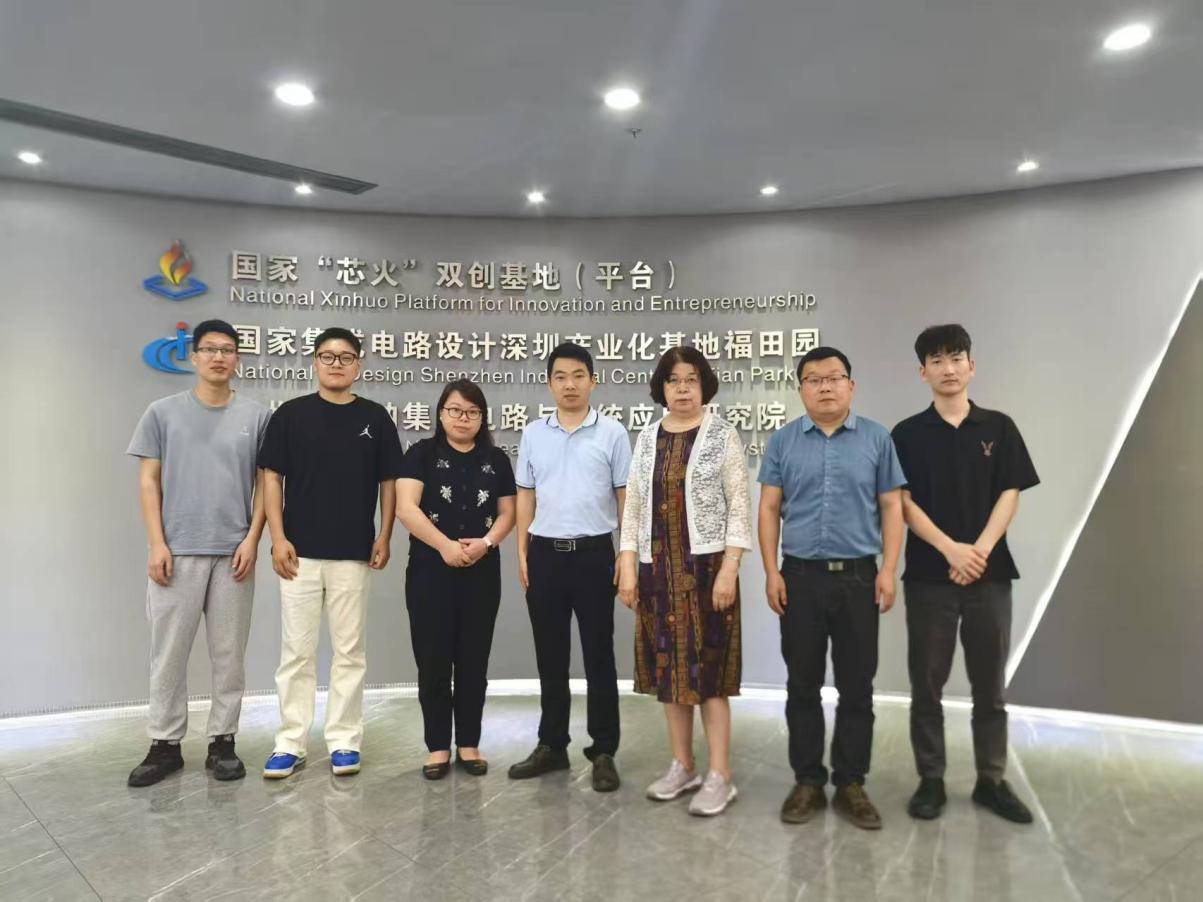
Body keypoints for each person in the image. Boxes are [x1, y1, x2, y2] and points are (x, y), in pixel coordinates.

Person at [891, 324, 1039, 824]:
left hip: (990, 575)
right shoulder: (907, 434)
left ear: (971, 366)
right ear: (923, 372)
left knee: (990, 687)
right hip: (929, 577)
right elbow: (902, 502)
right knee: (926, 684)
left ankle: (990, 780)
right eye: (936, 360)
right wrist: (950, 549)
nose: (948, 368)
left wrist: (979, 550)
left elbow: (1010, 493)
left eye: (956, 358)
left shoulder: (999, 427)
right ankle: (931, 779)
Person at [758, 346, 905, 830]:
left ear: (851, 385)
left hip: (860, 577)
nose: (825, 386)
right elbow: (769, 509)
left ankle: (851, 783)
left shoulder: (877, 439)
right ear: (801, 388)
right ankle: (807, 780)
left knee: (857, 686)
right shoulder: (783, 441)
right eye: (814, 379)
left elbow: (892, 507)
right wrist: (771, 571)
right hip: (799, 578)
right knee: (802, 684)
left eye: (834, 377)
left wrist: (888, 569)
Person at [125, 319, 270, 787]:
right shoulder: (162, 413)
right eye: (209, 349)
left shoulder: (256, 416)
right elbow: (148, 481)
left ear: (238, 358)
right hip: (176, 551)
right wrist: (156, 543)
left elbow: (267, 485)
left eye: (227, 349)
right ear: (193, 356)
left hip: (234, 555)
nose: (218, 357)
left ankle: (222, 742)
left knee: (229, 655)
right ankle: (164, 744)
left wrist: (253, 539)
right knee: (168, 653)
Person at [257, 327, 404, 779]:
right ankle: (290, 743)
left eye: (345, 357)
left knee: (349, 652)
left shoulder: (376, 418)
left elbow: (389, 483)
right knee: (296, 653)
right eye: (327, 356)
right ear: (315, 362)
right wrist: (277, 537)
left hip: (352, 552)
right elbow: (271, 478)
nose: (336, 364)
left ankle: (344, 741)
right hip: (298, 553)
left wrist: (384, 535)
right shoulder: (290, 415)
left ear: (358, 364)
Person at [618, 347, 751, 816]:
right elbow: (635, 506)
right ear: (662, 388)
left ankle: (720, 774)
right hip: (657, 572)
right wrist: (628, 565)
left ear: (704, 385)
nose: (682, 389)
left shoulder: (722, 435)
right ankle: (683, 765)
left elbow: (740, 504)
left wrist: (731, 568)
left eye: (691, 380)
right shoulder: (647, 438)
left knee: (709, 676)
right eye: (673, 381)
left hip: (708, 572)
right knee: (669, 673)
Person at [508, 342, 632, 792]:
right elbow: (525, 494)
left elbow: (625, 497)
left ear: (593, 381)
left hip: (595, 555)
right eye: (560, 376)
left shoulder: (612, 433)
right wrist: (522, 551)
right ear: (549, 384)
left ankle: (604, 750)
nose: (570, 384)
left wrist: (626, 553)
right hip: (544, 555)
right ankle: (552, 745)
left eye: (579, 375)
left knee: (600, 655)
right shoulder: (533, 433)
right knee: (550, 655)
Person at [396, 379, 516, 779]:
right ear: (441, 413)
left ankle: (468, 743)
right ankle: (436, 746)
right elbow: (406, 508)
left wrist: (486, 543)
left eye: (472, 412)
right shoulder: (421, 454)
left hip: (482, 572)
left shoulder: (496, 460)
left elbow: (508, 513)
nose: (463, 418)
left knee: (473, 661)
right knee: (432, 661)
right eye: (455, 410)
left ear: (482, 418)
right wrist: (444, 546)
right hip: (430, 572)